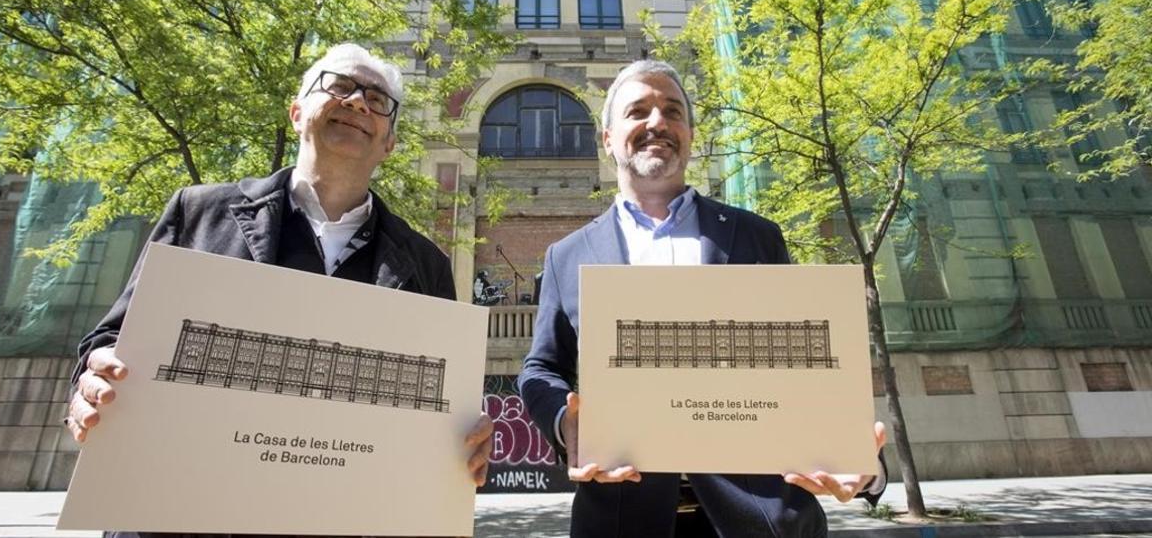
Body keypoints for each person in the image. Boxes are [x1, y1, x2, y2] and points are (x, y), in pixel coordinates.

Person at [65, 43, 493, 535]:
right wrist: (90, 384)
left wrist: (468, 439)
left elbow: (446, 408)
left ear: (389, 141)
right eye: (338, 86)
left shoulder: (427, 265)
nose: (357, 103)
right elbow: (110, 340)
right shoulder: (198, 213)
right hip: (179, 519)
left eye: (377, 101)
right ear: (296, 112)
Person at [518, 59, 887, 537]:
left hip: (761, 520)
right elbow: (540, 368)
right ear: (607, 138)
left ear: (689, 135)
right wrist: (564, 422)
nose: (658, 122)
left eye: (673, 111)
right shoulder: (566, 256)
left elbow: (806, 363)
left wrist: (858, 459)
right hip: (619, 520)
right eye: (638, 111)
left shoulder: (757, 237)